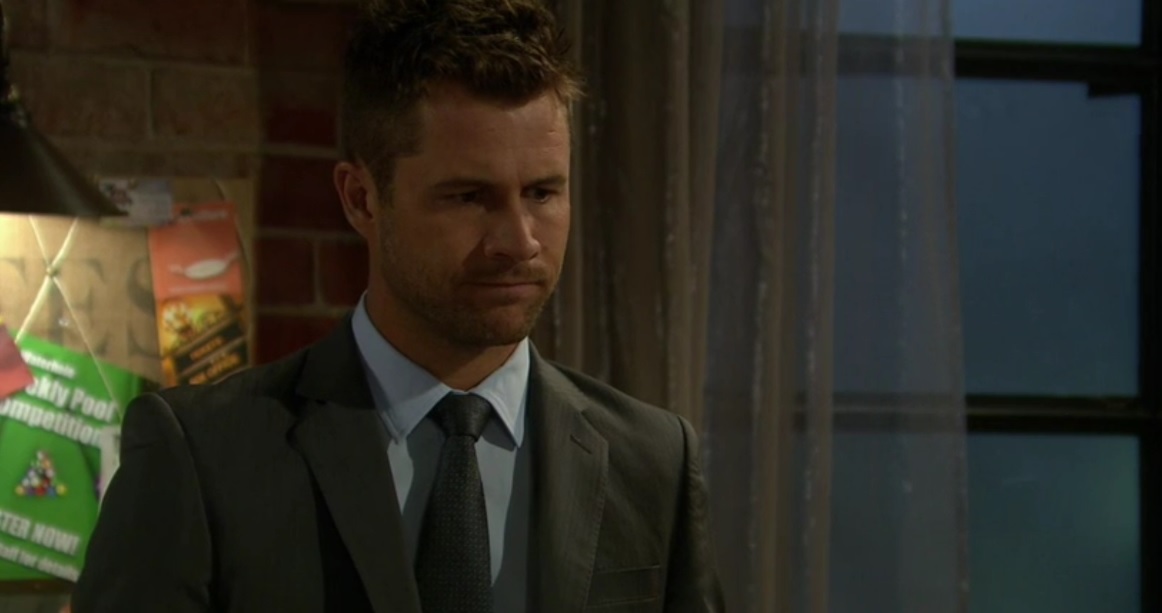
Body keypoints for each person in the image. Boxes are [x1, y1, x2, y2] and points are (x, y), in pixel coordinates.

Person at [72, 0, 723, 611]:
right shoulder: (205, 459)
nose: (519, 240)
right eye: (468, 196)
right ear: (361, 199)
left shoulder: (652, 461)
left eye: (543, 193)